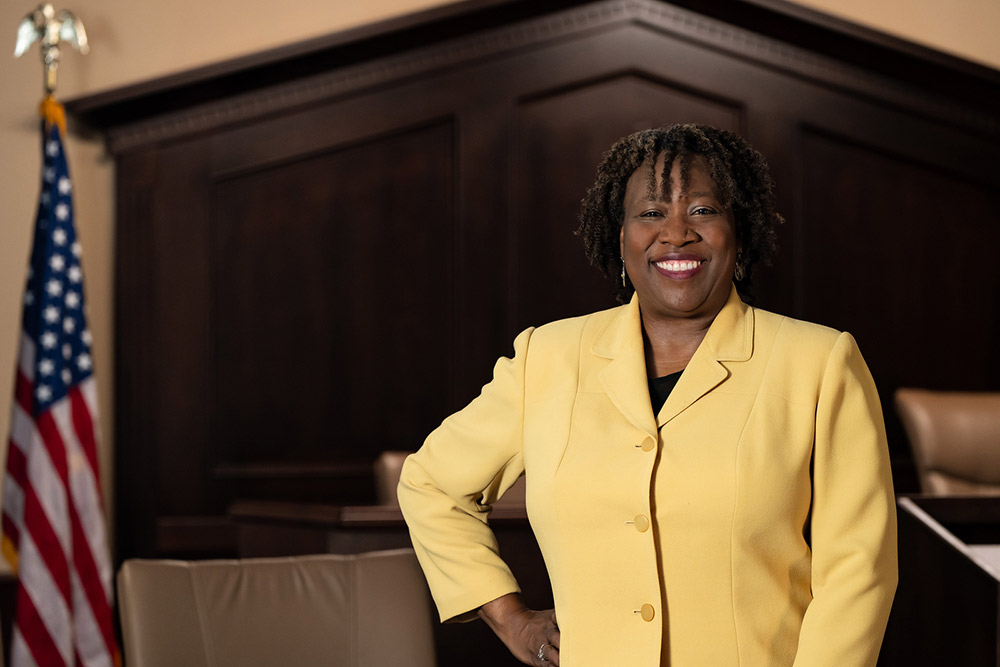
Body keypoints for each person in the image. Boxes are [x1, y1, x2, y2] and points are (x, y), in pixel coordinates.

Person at [398, 124, 897, 666]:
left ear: (740, 231)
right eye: (651, 214)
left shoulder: (820, 363)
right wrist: (511, 620)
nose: (676, 233)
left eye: (703, 211)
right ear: (620, 236)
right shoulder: (549, 357)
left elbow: (858, 570)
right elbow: (430, 484)